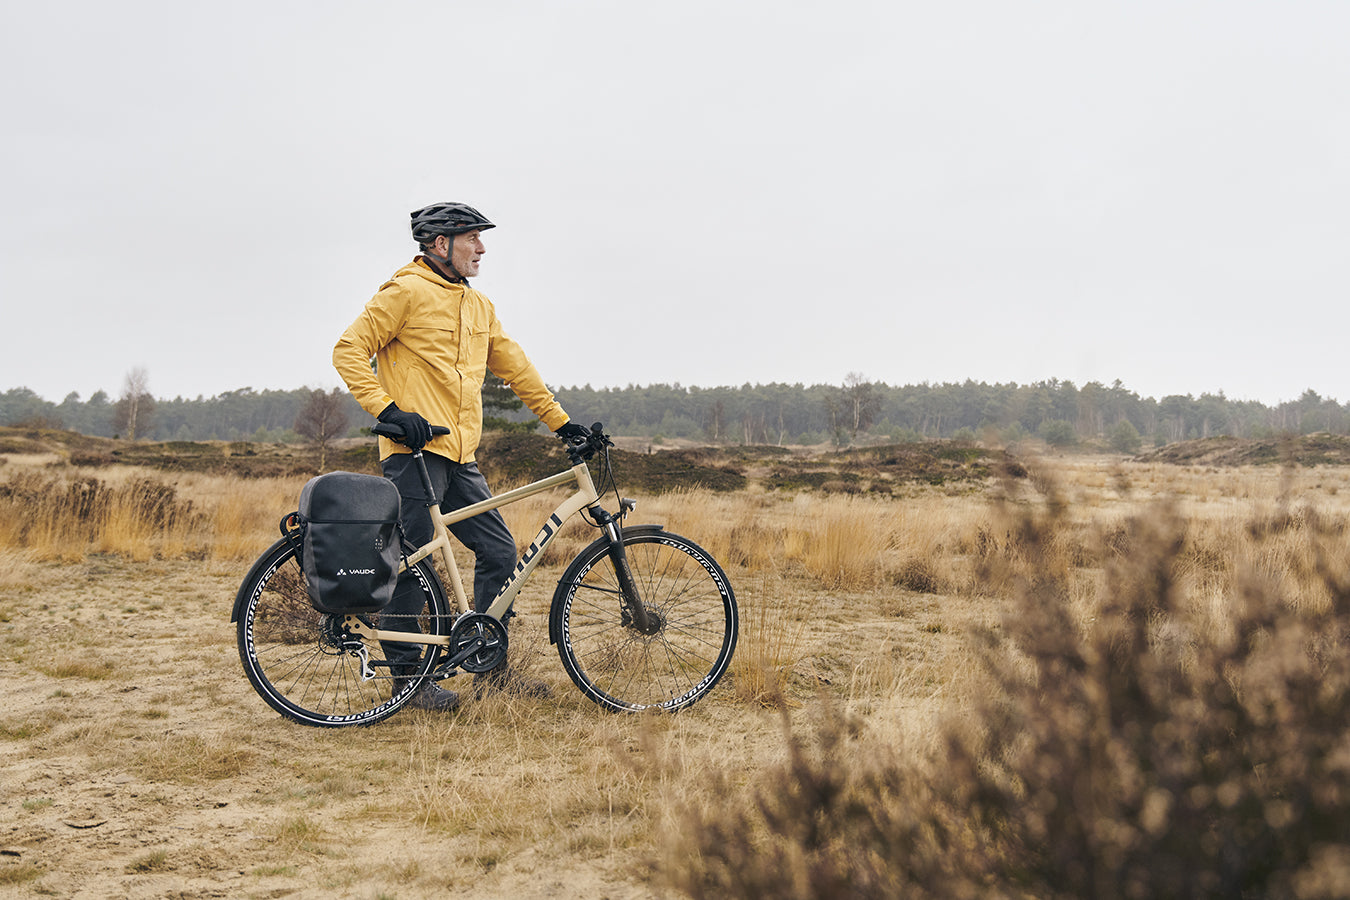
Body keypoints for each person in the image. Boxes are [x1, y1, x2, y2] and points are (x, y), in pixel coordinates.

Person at [333, 201, 589, 712]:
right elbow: (347, 350)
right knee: (410, 563)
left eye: (481, 238)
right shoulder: (405, 291)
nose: (482, 248)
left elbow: (516, 368)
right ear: (439, 243)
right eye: (472, 237)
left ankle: (490, 670)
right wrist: (389, 409)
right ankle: (409, 682)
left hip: (460, 456)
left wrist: (562, 423)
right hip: (413, 455)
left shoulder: (479, 306)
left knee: (498, 551)